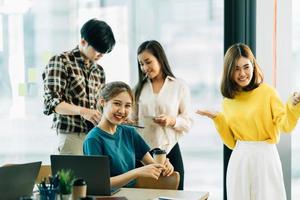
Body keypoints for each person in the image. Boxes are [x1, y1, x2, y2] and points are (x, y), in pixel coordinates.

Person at [196, 43, 300, 200]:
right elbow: (232, 143)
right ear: (229, 71)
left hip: (265, 158)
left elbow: (285, 125)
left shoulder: (267, 93)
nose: (242, 73)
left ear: (253, 66)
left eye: (246, 67)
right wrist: (217, 118)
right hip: (240, 159)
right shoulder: (228, 101)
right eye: (236, 68)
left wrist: (293, 105)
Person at [42, 18, 115, 155]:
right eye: (97, 50)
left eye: (103, 52)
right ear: (83, 41)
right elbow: (52, 103)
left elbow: (101, 104)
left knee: (96, 176)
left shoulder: (99, 71)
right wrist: (84, 111)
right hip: (71, 136)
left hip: (95, 136)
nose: (100, 55)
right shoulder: (60, 61)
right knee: (71, 177)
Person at [83, 81, 174, 188]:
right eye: (117, 103)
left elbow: (153, 166)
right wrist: (136, 172)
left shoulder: (130, 133)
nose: (122, 111)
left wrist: (165, 166)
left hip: (132, 194)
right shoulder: (93, 140)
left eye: (127, 106)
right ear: (103, 102)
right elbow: (98, 184)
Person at [133, 40, 192, 190]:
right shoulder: (138, 89)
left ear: (159, 58)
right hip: (143, 152)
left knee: (176, 195)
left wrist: (171, 121)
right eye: (141, 64)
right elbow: (132, 121)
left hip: (170, 149)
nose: (145, 68)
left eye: (148, 62)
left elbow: (188, 121)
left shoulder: (179, 86)